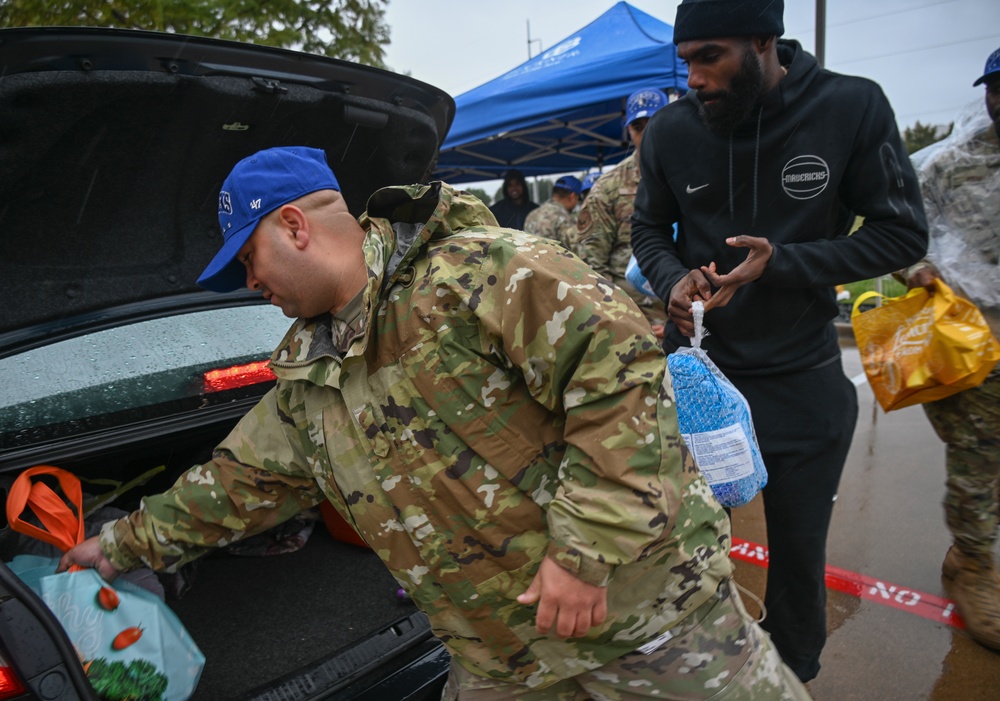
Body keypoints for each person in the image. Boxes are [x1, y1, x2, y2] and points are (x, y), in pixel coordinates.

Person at [60, 145, 812, 700]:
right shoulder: (309, 379)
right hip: (503, 664)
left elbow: (622, 378)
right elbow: (235, 485)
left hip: (648, 619)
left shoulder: (483, 271)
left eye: (248, 261)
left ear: (294, 226)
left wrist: (584, 553)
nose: (251, 285)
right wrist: (118, 545)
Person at [630, 0, 928, 683]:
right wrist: (673, 277)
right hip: (702, 377)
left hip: (801, 377)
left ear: (764, 41)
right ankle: (691, 673)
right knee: (679, 540)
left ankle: (794, 675)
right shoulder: (674, 132)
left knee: (796, 554)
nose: (695, 79)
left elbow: (901, 233)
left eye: (711, 57)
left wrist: (785, 262)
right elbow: (649, 229)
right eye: (686, 62)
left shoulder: (849, 108)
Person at [904, 46, 1000, 652]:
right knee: (978, 455)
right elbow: (903, 230)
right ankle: (974, 563)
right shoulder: (950, 164)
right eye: (995, 88)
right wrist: (917, 268)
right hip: (969, 335)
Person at [577, 88, 669, 337]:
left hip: (690, 316)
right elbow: (591, 267)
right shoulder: (609, 188)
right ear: (628, 131)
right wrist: (627, 319)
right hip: (635, 322)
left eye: (654, 123)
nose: (647, 133)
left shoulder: (692, 175)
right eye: (638, 128)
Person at [522, 174, 581, 249]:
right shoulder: (564, 219)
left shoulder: (531, 215)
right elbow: (575, 251)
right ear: (572, 197)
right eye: (577, 199)